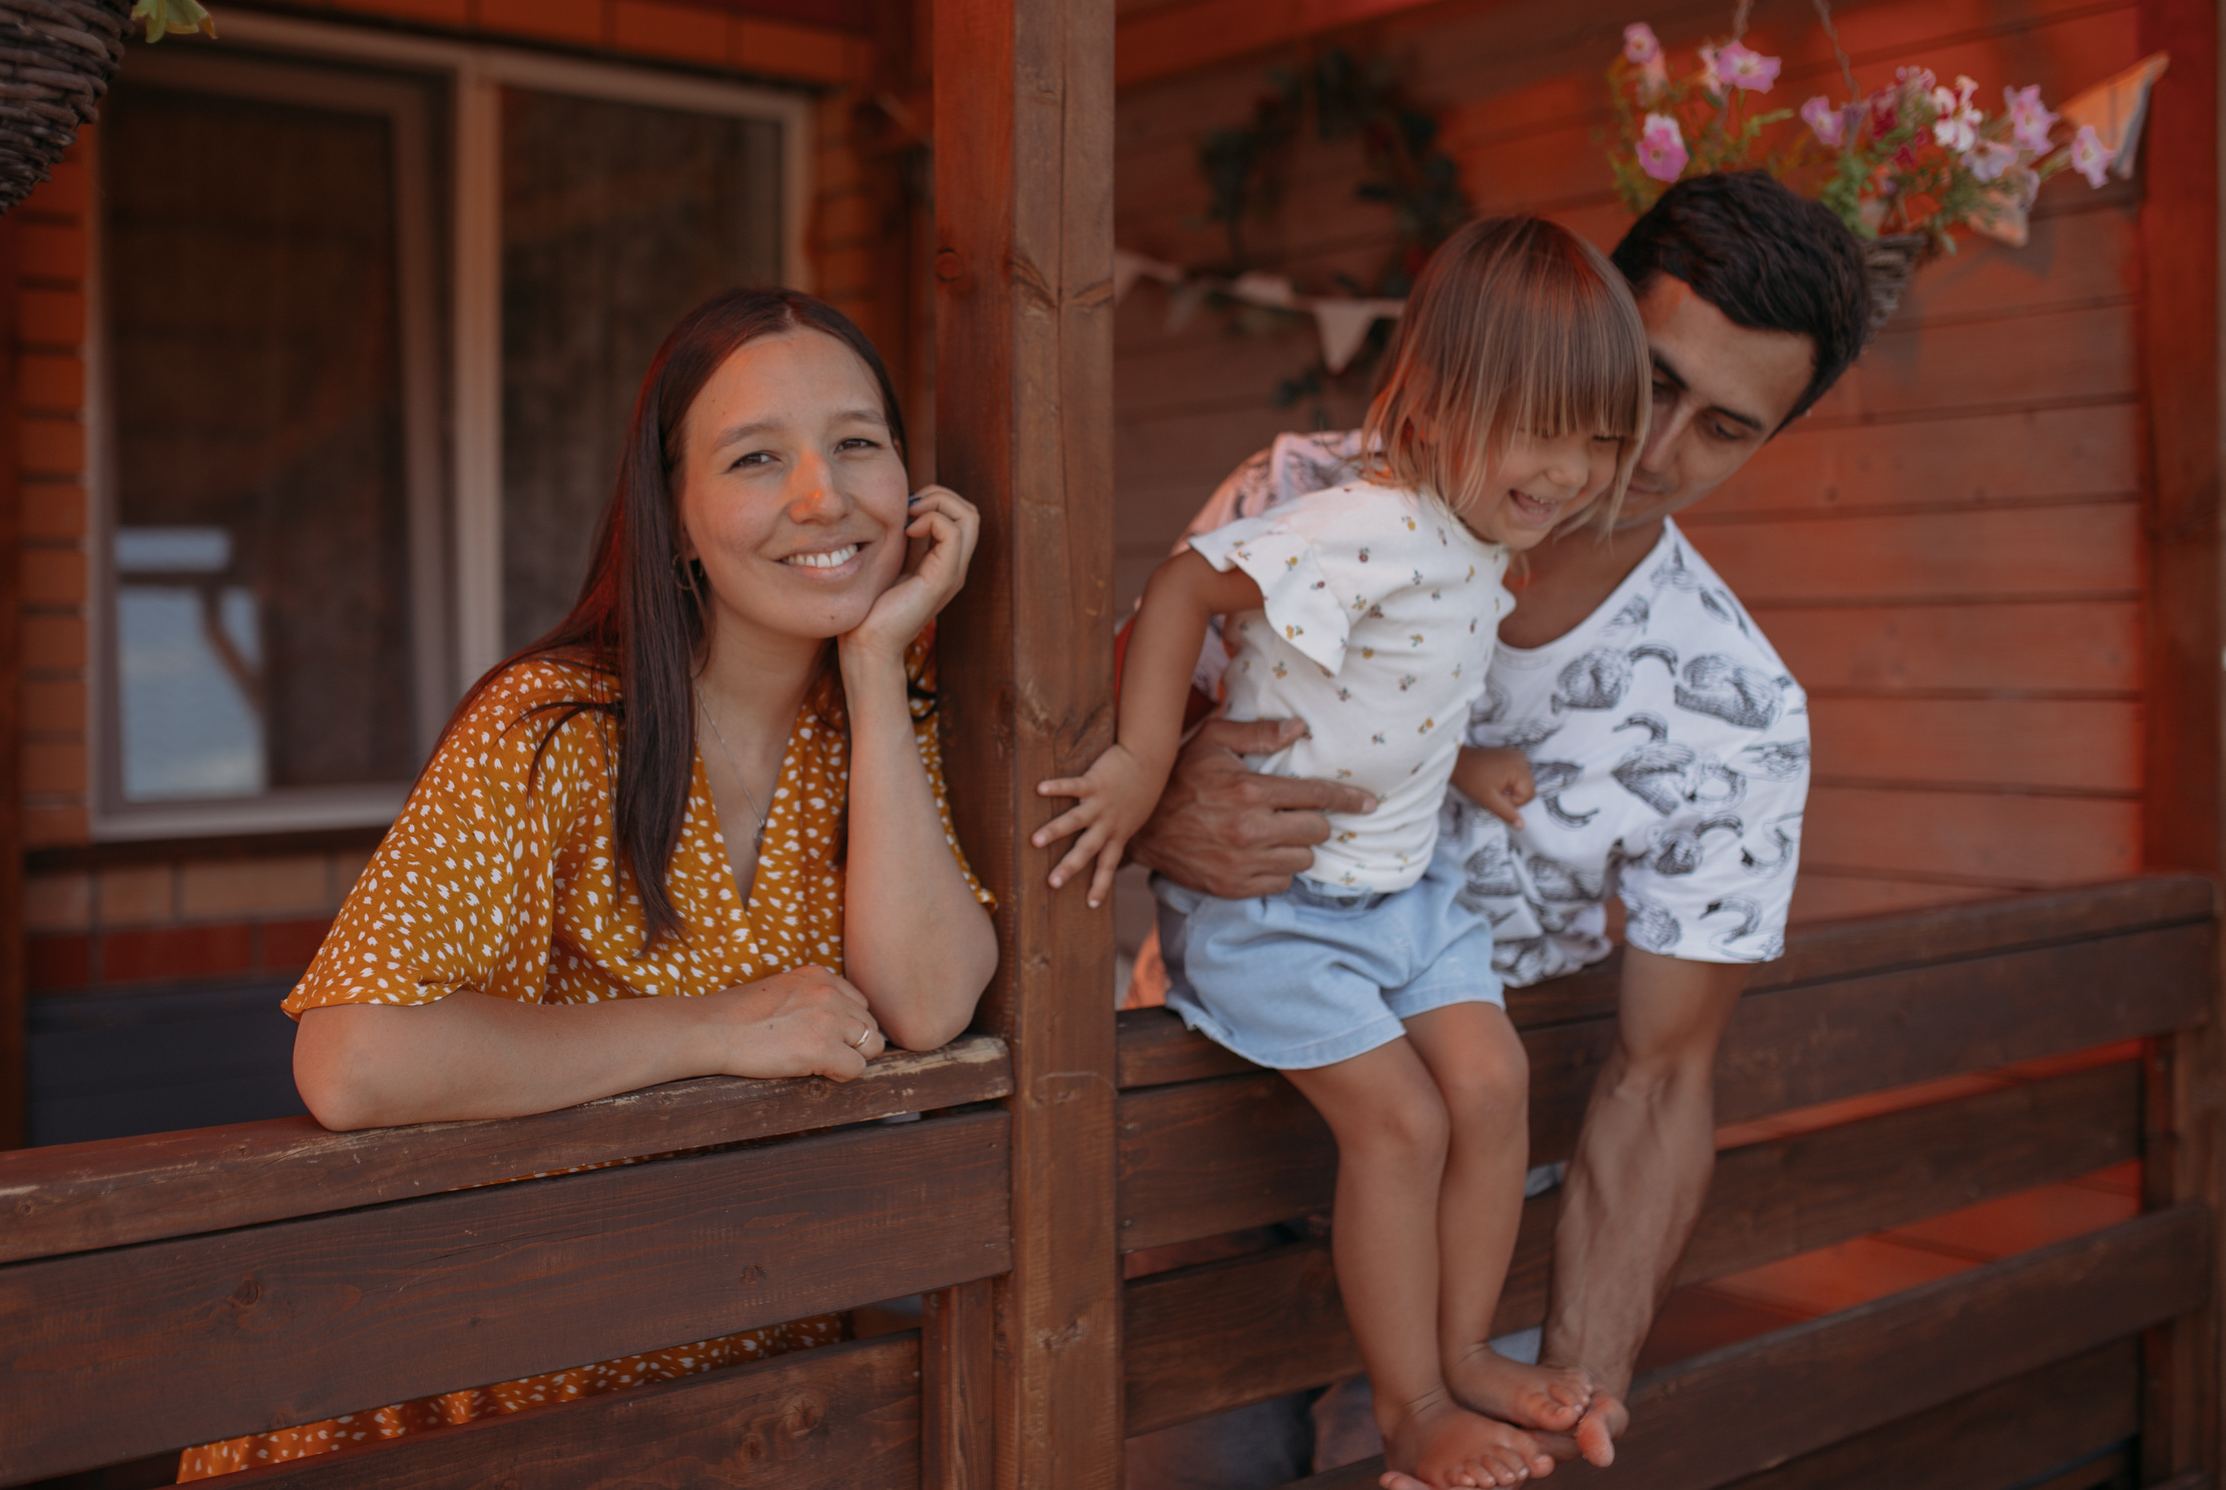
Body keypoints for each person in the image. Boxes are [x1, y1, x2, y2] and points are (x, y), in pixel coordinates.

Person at [1122, 172, 1871, 1490]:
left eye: (1725, 427)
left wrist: (1575, 1381)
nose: (1652, 447)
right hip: (1201, 1166)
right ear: (1589, 325)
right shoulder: (1305, 492)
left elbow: (1661, 1077)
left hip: (1475, 1214)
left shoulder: (1735, 706)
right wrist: (1164, 809)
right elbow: (1094, 759)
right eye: (1646, 378)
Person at [178, 288, 1000, 1478]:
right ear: (672, 516)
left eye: (857, 442)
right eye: (756, 457)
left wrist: (874, 664)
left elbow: (926, 1006)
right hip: (465, 1395)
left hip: (733, 1408)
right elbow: (355, 1059)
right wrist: (710, 1029)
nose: (824, 497)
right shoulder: (557, 727)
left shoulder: (888, 724)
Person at [1040, 218, 1651, 1489]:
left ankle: (1468, 1350)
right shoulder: (1360, 518)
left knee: (1492, 1086)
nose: (1570, 468)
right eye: (1541, 426)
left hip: (1400, 883)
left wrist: (1466, 769)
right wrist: (1147, 768)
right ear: (1433, 405)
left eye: (1598, 436)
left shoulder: (1480, 534)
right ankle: (1414, 1401)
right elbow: (1181, 590)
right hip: (1279, 910)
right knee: (1405, 1125)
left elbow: (1402, 694)